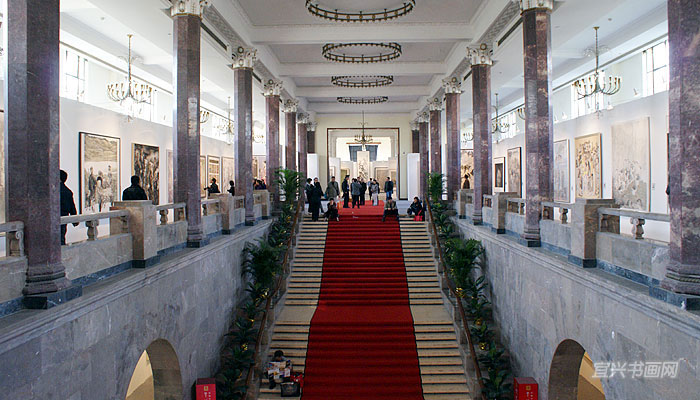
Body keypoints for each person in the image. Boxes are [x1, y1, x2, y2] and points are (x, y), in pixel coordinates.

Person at [60, 170, 79, 245]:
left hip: (56, 218)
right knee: (61, 238)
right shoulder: (68, 191)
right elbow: (72, 207)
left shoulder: (53, 191)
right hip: (64, 218)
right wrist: (75, 220)